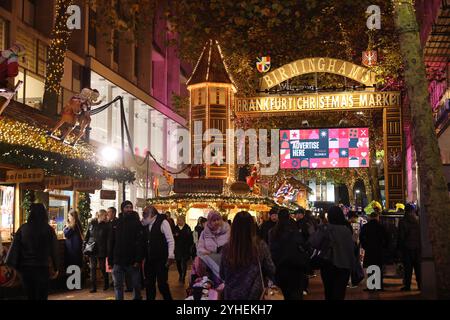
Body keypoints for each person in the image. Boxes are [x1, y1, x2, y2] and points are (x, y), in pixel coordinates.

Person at [6, 204, 59, 300]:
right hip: (43, 269)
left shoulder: (23, 228)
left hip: (26, 270)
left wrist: (15, 267)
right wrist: (56, 268)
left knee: (30, 296)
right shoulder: (49, 230)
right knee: (42, 296)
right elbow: (54, 250)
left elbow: (14, 249)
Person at [220, 211, 275, 300]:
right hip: (255, 293)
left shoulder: (227, 248)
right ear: (252, 227)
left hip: (231, 294)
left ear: (234, 227)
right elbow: (271, 269)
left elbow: (222, 274)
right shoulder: (260, 246)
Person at [310, 206, 355, 300]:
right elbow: (351, 248)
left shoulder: (325, 228)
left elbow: (314, 243)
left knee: (329, 291)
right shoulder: (346, 230)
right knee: (340, 292)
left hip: (328, 264)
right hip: (344, 265)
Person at [269, 209, 309, 300]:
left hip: (279, 267)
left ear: (278, 217)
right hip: (295, 266)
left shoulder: (272, 232)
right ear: (289, 217)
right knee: (295, 293)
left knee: (281, 293)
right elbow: (302, 246)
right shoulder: (294, 230)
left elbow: (271, 249)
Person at [108, 201, 144, 300]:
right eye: (127, 207)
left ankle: (137, 297)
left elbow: (140, 243)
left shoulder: (136, 223)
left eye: (130, 207)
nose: (129, 209)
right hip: (118, 260)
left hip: (132, 260)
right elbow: (111, 242)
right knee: (118, 285)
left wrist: (138, 259)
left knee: (136, 285)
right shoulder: (116, 223)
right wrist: (110, 260)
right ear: (122, 208)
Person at [142, 205, 175, 300]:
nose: (143, 217)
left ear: (152, 214)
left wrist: (171, 255)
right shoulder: (146, 224)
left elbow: (170, 240)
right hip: (149, 259)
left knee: (162, 284)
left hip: (161, 259)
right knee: (149, 284)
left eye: (145, 214)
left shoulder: (163, 222)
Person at [359, 209, 389, 291]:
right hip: (379, 250)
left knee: (370, 268)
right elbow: (386, 238)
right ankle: (379, 286)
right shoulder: (381, 226)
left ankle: (371, 286)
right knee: (378, 267)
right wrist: (384, 246)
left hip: (369, 250)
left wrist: (365, 246)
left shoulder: (366, 226)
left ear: (370, 217)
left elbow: (361, 237)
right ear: (377, 217)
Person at [84, 209, 110, 292]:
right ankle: (93, 287)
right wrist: (84, 246)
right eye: (105, 215)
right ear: (100, 215)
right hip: (92, 248)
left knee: (102, 267)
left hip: (102, 249)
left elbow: (108, 239)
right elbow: (87, 235)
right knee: (92, 268)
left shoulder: (106, 225)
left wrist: (108, 250)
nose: (107, 217)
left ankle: (106, 283)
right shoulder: (92, 223)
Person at [398, 204, 421, 291]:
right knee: (418, 267)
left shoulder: (403, 221)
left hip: (407, 247)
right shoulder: (418, 220)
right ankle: (420, 285)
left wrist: (399, 248)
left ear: (405, 211)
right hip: (417, 247)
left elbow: (401, 236)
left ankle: (407, 286)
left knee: (408, 268)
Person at [173, 215, 193, 283]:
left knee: (184, 263)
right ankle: (180, 274)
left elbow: (190, 239)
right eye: (177, 220)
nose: (178, 221)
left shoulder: (187, 228)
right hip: (177, 249)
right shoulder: (175, 228)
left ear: (183, 220)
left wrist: (189, 247)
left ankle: (183, 277)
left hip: (185, 249)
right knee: (178, 263)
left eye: (179, 220)